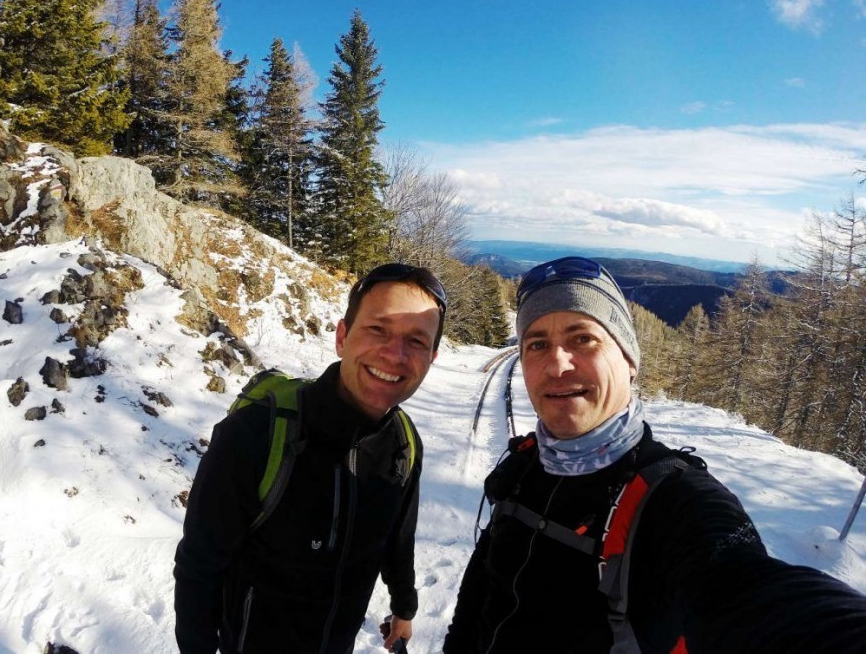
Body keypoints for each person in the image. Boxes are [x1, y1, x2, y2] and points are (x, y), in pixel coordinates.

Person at [444, 256, 866, 653]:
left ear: (628, 359)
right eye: (537, 344)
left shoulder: (677, 500)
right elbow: (481, 590)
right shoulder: (523, 467)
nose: (557, 365)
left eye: (583, 339)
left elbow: (749, 592)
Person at [175, 263, 447, 654]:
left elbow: (397, 535)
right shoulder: (258, 432)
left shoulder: (403, 443)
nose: (395, 354)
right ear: (342, 337)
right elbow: (199, 566)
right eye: (378, 329)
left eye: (417, 341)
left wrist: (404, 607)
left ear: (431, 357)